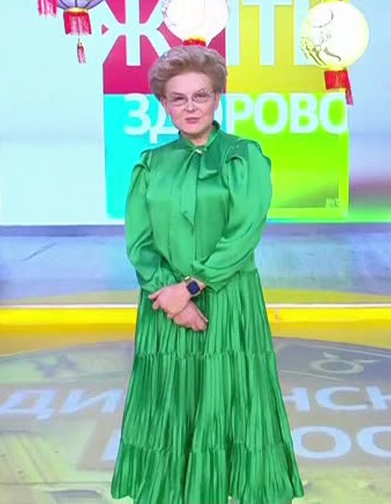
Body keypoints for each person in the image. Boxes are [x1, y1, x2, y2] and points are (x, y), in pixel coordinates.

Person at [110, 46, 304, 504]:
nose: (191, 107)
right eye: (178, 98)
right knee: (170, 401)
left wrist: (193, 287)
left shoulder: (244, 156)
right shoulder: (151, 163)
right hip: (165, 305)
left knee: (232, 396)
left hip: (227, 298)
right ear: (163, 104)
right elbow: (139, 242)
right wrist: (169, 294)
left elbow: (244, 232)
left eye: (201, 95)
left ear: (217, 97)